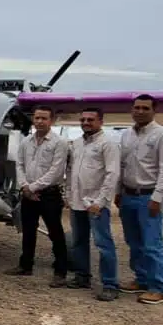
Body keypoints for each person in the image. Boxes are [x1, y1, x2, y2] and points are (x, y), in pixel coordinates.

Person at [117, 94, 163, 305]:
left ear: (154, 111)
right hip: (128, 195)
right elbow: (122, 165)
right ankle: (141, 279)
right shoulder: (126, 135)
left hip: (148, 196)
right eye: (137, 107)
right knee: (134, 242)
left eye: (145, 108)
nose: (140, 111)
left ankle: (158, 287)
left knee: (152, 244)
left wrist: (157, 197)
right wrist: (117, 191)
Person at [7, 105, 70, 286]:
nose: (40, 121)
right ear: (33, 120)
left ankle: (60, 271)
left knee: (55, 232)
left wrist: (32, 187)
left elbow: (56, 171)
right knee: (28, 230)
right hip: (28, 193)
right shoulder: (26, 142)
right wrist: (25, 186)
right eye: (37, 118)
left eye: (44, 118)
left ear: (52, 121)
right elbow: (19, 165)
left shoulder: (60, 143)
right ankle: (25, 265)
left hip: (49, 194)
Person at [66, 107, 122, 301]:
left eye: (90, 119)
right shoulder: (77, 144)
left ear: (100, 122)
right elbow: (71, 171)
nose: (86, 123)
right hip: (77, 201)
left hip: (96, 203)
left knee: (103, 243)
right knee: (78, 241)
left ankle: (110, 283)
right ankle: (82, 276)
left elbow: (112, 174)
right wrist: (68, 194)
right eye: (83, 120)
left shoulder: (108, 144)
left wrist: (101, 201)